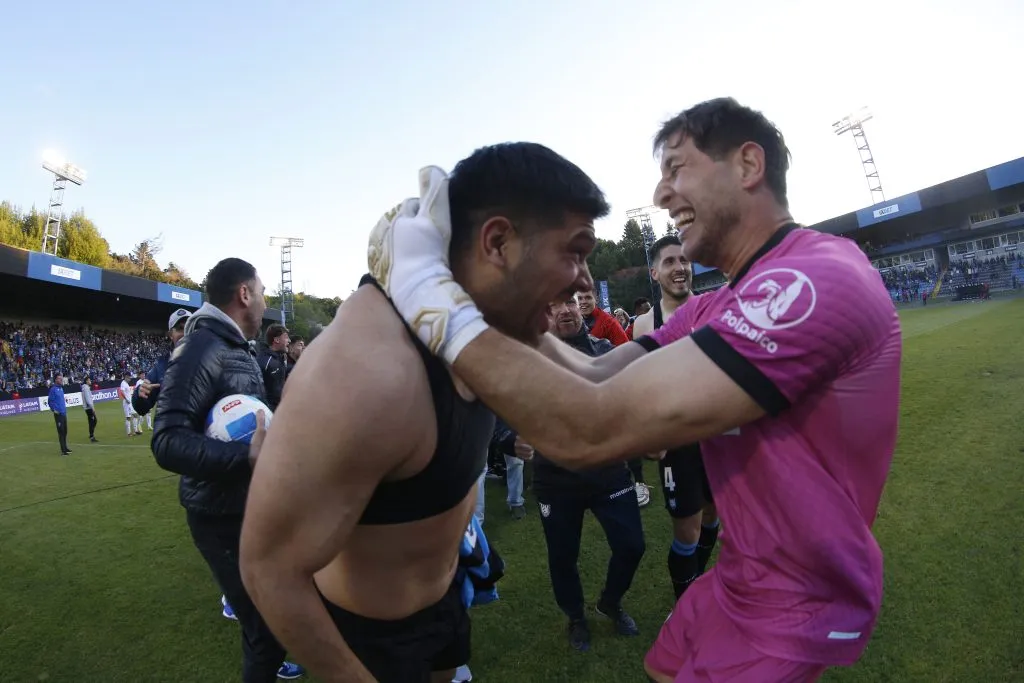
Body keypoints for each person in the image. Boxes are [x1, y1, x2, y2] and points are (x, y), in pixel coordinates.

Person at [370, 97, 901, 682]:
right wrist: (495, 302)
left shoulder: (812, 280)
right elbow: (595, 374)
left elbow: (591, 427)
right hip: (738, 577)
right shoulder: (714, 305)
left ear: (748, 166)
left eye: (677, 168)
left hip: (795, 601)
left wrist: (425, 288)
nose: (661, 193)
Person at [238, 142, 609, 683]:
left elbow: (602, 384)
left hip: (444, 600)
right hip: (372, 639)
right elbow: (268, 567)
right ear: (498, 242)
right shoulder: (369, 372)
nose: (583, 280)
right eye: (575, 252)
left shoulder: (491, 323)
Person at [150, 258, 304, 682]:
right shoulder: (200, 347)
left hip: (246, 505)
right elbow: (166, 441)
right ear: (244, 294)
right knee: (264, 629)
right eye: (262, 292)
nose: (266, 302)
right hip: (219, 517)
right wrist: (245, 458)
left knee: (276, 616)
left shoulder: (235, 347)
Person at [525, 294, 646, 652]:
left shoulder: (606, 349)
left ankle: (611, 600)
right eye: (553, 304)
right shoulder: (530, 359)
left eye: (571, 302)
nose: (564, 309)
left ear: (583, 307)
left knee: (632, 545)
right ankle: (576, 616)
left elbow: (631, 397)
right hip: (555, 479)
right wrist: (507, 439)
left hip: (607, 471)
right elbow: (502, 404)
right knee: (563, 556)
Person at [632, 234, 720, 600]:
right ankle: (685, 607)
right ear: (655, 272)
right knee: (688, 531)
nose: (679, 268)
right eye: (669, 262)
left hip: (721, 436)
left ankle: (697, 588)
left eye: (684, 261)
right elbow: (642, 384)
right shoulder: (644, 323)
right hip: (678, 442)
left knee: (713, 519)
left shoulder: (714, 307)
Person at [132, 308, 192, 417]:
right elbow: (141, 408)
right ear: (170, 334)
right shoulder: (160, 367)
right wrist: (139, 395)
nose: (185, 333)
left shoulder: (209, 359)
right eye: (180, 329)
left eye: (189, 328)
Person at [258, 324, 290, 410]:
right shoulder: (265, 361)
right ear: (276, 340)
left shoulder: (280, 358)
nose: (289, 340)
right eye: (286, 337)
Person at [48, 373, 70, 456]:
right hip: (58, 414)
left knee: (65, 431)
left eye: (61, 378)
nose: (61, 380)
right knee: (61, 432)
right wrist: (54, 410)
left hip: (64, 413)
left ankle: (65, 448)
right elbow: (50, 401)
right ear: (56, 380)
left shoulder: (61, 389)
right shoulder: (53, 389)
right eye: (59, 379)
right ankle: (63, 450)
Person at [81, 375, 98, 443]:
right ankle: (91, 435)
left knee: (91, 421)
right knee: (93, 421)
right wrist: (92, 407)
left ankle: (91, 434)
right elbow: (88, 399)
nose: (90, 381)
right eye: (89, 380)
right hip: (89, 408)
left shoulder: (85, 388)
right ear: (86, 381)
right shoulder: (86, 389)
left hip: (87, 407)